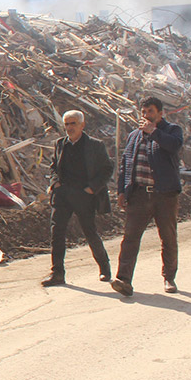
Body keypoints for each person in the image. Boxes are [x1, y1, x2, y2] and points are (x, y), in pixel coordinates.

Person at [111, 97, 184, 297]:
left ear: (160, 113)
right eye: (143, 112)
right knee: (130, 238)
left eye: (150, 112)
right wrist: (122, 190)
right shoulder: (134, 136)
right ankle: (123, 279)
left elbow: (174, 147)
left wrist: (154, 132)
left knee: (168, 237)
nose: (146, 116)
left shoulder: (172, 131)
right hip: (139, 196)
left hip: (165, 195)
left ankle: (169, 277)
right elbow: (126, 164)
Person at [42, 110, 114, 287]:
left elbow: (107, 169)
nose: (69, 128)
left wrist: (92, 188)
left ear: (82, 125)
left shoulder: (95, 146)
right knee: (57, 233)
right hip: (62, 196)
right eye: (66, 124)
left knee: (89, 232)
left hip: (84, 196)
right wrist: (55, 182)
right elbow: (53, 167)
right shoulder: (60, 144)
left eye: (73, 123)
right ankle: (57, 273)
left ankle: (104, 268)